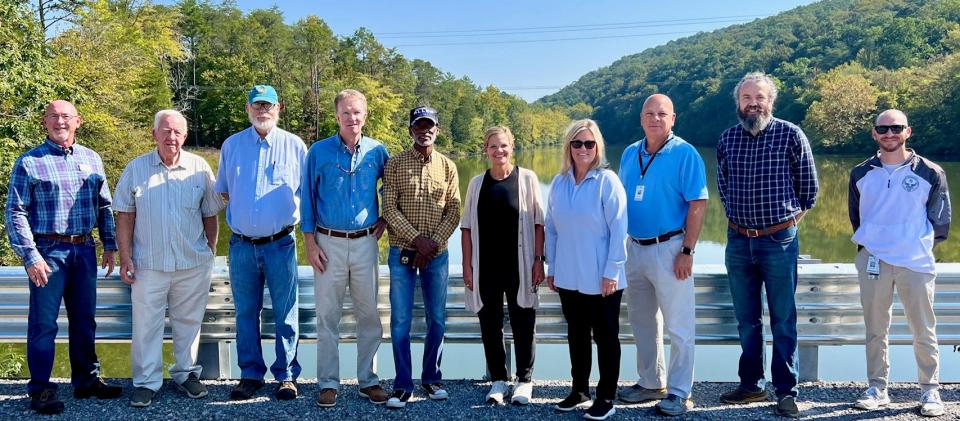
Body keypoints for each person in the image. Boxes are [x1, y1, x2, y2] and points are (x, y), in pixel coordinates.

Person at [5, 100, 122, 415]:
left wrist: (109, 245)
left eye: (66, 116)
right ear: (45, 121)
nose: (60, 121)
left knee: (85, 320)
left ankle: (86, 381)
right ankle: (41, 389)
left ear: (78, 122)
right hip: (48, 251)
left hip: (84, 250)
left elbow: (104, 206)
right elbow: (15, 213)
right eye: (54, 116)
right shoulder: (29, 162)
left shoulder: (91, 158)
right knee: (43, 324)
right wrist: (30, 256)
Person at [716, 72, 819, 419]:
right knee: (746, 320)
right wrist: (740, 225)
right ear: (738, 103)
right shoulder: (728, 139)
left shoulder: (791, 134)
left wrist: (786, 224)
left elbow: (810, 190)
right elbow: (724, 187)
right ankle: (751, 385)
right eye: (746, 98)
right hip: (737, 240)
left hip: (779, 241)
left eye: (759, 97)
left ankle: (786, 391)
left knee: (783, 318)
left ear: (770, 101)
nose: (753, 103)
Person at [113, 109, 225, 407]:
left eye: (177, 132)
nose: (170, 137)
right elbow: (124, 216)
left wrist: (210, 251)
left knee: (188, 322)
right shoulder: (136, 169)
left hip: (192, 263)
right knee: (146, 325)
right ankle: (146, 382)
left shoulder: (200, 168)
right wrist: (125, 257)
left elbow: (210, 214)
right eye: (165, 130)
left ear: (185, 136)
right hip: (148, 264)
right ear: (154, 134)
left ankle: (186, 373)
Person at [848, 109, 951, 417]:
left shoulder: (931, 172)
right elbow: (857, 217)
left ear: (908, 131)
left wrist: (911, 244)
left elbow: (941, 222)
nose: (889, 134)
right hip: (874, 261)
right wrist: (873, 245)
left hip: (915, 262)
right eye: (883, 128)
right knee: (876, 329)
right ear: (874, 133)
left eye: (896, 128)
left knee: (923, 330)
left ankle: (930, 391)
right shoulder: (860, 173)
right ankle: (877, 389)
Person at [617, 94, 707, 416]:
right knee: (641, 322)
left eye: (662, 114)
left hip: (670, 248)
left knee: (679, 326)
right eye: (649, 113)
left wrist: (687, 250)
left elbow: (698, 204)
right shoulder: (629, 153)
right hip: (635, 249)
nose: (655, 118)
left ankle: (680, 391)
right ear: (641, 118)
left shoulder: (685, 153)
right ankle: (651, 382)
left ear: (673, 118)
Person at [215, 85, 307, 401]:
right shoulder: (232, 145)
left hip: (280, 244)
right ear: (248, 109)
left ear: (278, 108)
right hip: (241, 245)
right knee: (245, 312)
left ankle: (287, 376)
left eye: (268, 105)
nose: (262, 110)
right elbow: (225, 191)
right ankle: (250, 374)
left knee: (286, 312)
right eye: (257, 105)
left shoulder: (296, 147)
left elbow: (306, 196)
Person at [300, 89, 390, 407]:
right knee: (327, 316)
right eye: (346, 113)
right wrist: (310, 244)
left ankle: (369, 380)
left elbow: (392, 189)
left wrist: (385, 219)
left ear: (365, 116)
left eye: (357, 112)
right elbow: (307, 200)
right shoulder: (318, 152)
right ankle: (327, 383)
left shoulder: (378, 151)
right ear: (336, 116)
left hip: (366, 243)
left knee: (369, 315)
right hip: (328, 243)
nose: (352, 118)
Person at [545, 119, 628, 421]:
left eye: (589, 143)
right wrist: (551, 267)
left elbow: (620, 230)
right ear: (568, 146)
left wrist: (613, 271)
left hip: (602, 276)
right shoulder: (559, 182)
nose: (583, 149)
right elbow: (552, 229)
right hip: (568, 273)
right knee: (576, 334)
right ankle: (579, 390)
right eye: (577, 143)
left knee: (606, 337)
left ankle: (606, 396)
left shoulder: (607, 181)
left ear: (598, 147)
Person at [382, 106, 461, 409]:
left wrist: (433, 244)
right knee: (400, 321)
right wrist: (417, 240)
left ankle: (432, 378)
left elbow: (454, 210)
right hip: (402, 252)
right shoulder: (395, 164)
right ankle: (403, 385)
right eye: (419, 125)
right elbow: (389, 208)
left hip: (437, 256)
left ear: (437, 130)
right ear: (411, 130)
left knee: (436, 319)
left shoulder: (448, 167)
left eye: (430, 126)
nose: (424, 130)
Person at [460, 126, 545, 405]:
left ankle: (524, 380)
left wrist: (538, 260)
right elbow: (467, 229)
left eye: (504, 146)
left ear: (513, 146)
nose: (499, 151)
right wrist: (468, 266)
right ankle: (498, 379)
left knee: (524, 322)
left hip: (519, 266)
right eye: (493, 146)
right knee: (490, 324)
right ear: (486, 149)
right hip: (486, 267)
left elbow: (538, 224)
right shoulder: (476, 183)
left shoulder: (528, 179)